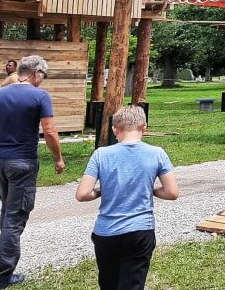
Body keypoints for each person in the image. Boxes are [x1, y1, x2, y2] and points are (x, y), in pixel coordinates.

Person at [0, 55, 65, 290]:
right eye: (44, 76)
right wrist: (58, 158)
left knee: (8, 211)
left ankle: (3, 267)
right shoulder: (39, 96)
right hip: (22, 164)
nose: (43, 81)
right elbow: (49, 132)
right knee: (15, 218)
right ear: (36, 72)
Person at [76, 105, 178, 290]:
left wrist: (101, 190)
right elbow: (172, 192)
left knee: (108, 283)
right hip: (140, 231)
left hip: (106, 232)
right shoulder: (157, 153)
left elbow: (83, 194)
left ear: (115, 129)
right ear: (144, 128)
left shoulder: (101, 154)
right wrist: (150, 189)